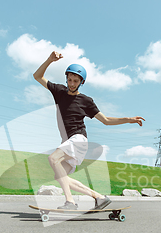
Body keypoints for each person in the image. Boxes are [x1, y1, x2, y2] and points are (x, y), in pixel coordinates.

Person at [33, 51, 145, 210]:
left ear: (81, 82)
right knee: (60, 176)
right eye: (69, 80)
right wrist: (50, 60)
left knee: (53, 159)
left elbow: (105, 120)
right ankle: (99, 198)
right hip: (69, 142)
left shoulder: (86, 101)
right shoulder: (59, 92)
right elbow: (37, 76)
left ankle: (70, 202)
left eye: (75, 81)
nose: (71, 84)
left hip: (78, 139)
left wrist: (128, 120)